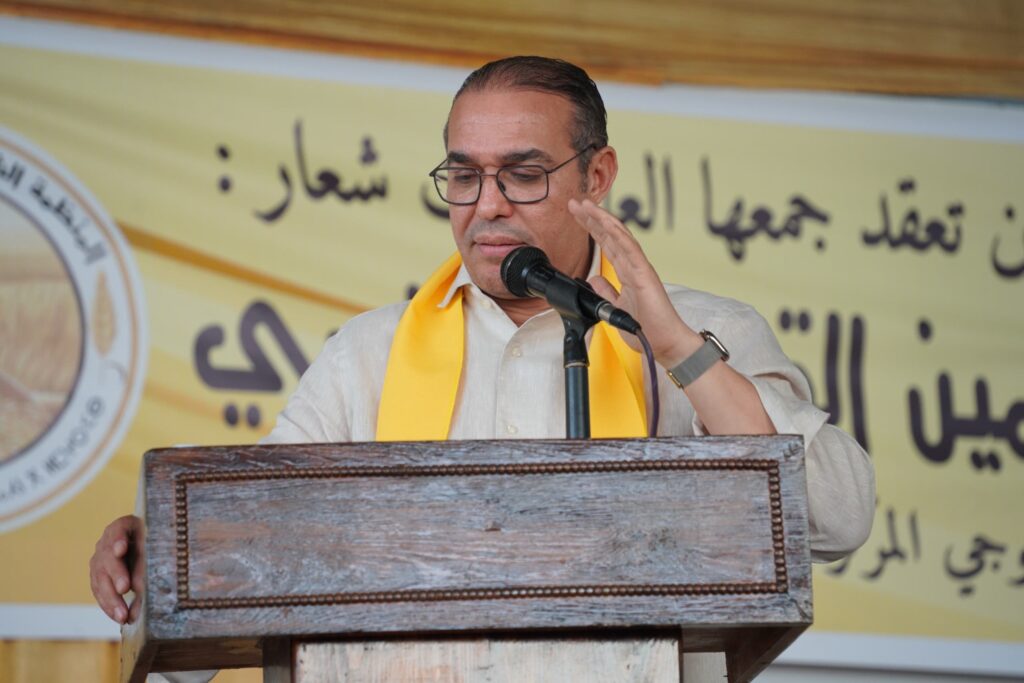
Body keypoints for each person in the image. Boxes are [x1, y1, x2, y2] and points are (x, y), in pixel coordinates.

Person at [90, 56, 875, 677]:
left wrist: (676, 350)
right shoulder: (369, 355)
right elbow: (245, 559)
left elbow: (839, 515)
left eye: (523, 174)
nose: (487, 204)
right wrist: (158, 562)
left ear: (597, 176)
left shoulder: (700, 331)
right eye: (464, 175)